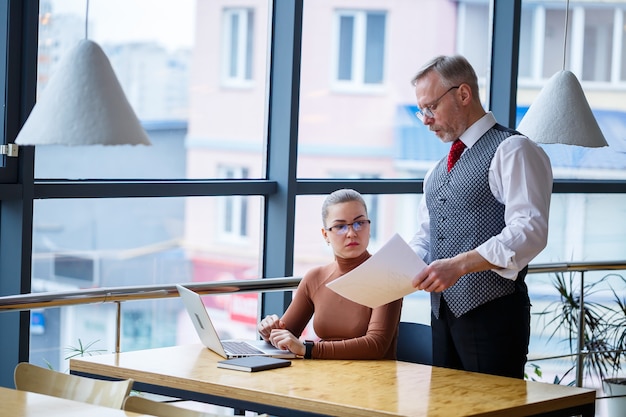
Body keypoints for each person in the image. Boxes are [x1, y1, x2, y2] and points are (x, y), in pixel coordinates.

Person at [408, 55, 553, 378]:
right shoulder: (435, 171)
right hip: (442, 315)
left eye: (431, 108)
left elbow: (530, 230)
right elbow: (427, 236)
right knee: (445, 409)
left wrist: (460, 265)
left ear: (463, 94)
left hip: (495, 314)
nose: (427, 120)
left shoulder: (513, 150)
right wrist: (394, 268)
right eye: (422, 112)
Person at [257, 188, 403, 359]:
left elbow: (376, 346)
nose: (351, 233)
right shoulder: (315, 278)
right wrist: (270, 332)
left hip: (372, 381)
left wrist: (308, 349)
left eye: (359, 223)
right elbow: (286, 336)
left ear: (369, 227)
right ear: (325, 235)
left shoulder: (387, 276)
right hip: (324, 378)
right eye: (340, 226)